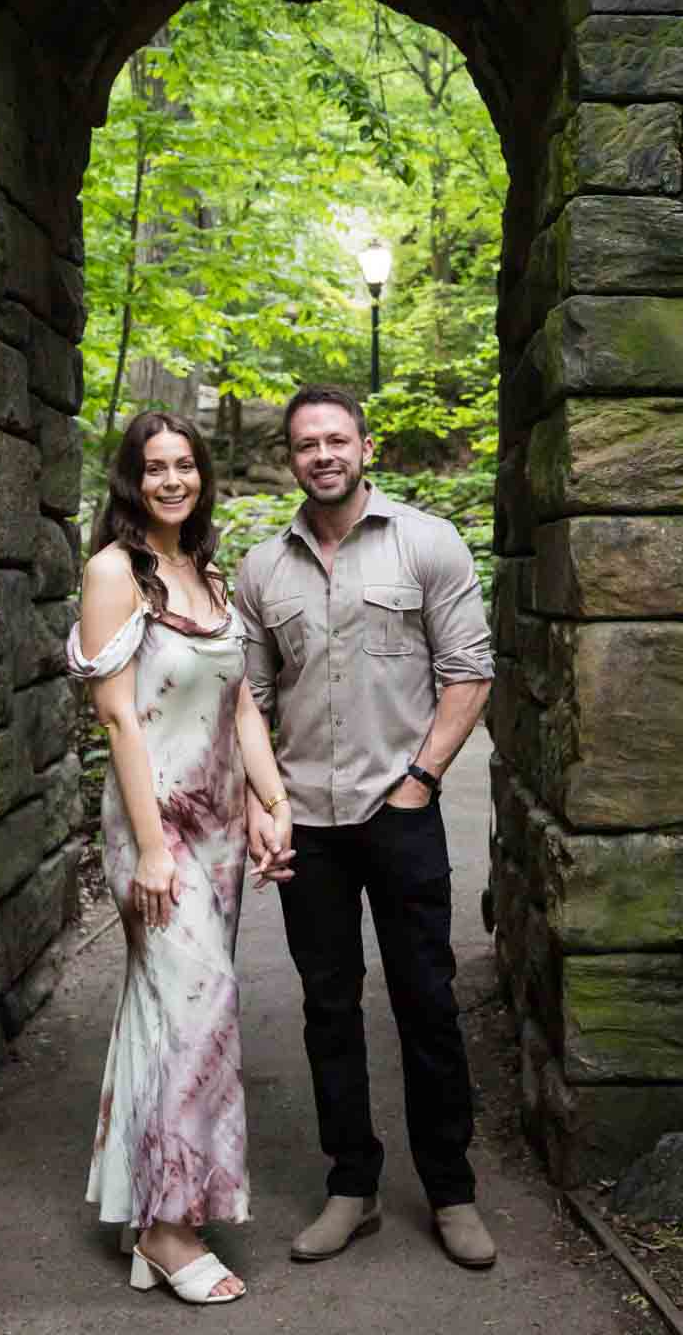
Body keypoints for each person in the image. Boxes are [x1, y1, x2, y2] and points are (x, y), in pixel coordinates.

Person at [235, 384, 496, 1269]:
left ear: (365, 447)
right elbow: (249, 698)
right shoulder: (262, 569)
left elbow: (469, 671)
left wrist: (422, 781)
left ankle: (452, 1192)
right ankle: (352, 1186)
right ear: (290, 457)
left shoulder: (427, 542)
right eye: (306, 444)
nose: (323, 455)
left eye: (336, 439)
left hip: (402, 813)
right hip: (308, 821)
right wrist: (263, 804)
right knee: (327, 1008)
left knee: (426, 1002)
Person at [66, 410, 293, 1305]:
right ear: (130, 477)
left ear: (201, 475)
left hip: (222, 833)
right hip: (156, 834)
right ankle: (167, 1229)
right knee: (196, 1016)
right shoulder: (113, 572)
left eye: (185, 465)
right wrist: (152, 853)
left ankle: (152, 1202)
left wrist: (274, 805)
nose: (172, 479)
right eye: (154, 466)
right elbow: (118, 717)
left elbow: (241, 708)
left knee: (170, 1016)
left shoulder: (203, 571)